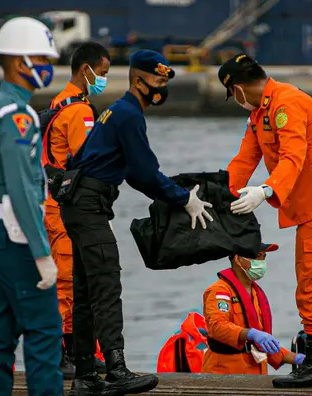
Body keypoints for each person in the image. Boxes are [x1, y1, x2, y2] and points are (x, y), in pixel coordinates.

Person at [58, 49, 214, 395]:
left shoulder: (114, 111)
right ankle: (116, 370)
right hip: (89, 205)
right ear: (138, 81)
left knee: (86, 292)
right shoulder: (129, 115)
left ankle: (85, 377)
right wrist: (184, 197)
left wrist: (169, 193)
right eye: (158, 81)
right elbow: (144, 172)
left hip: (80, 203)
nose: (162, 88)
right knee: (107, 285)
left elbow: (102, 164)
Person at [216, 54, 312, 388]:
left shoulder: (286, 104)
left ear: (237, 89)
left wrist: (265, 191)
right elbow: (244, 159)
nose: (235, 101)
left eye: (232, 94)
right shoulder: (261, 112)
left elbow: (294, 156)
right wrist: (219, 195)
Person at [0, 16, 63, 395]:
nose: (47, 66)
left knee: (0, 331)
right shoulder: (17, 115)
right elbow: (22, 189)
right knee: (44, 332)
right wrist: (42, 251)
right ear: (19, 61)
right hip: (15, 234)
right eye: (41, 58)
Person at [38, 41, 111, 376]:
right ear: (87, 70)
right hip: (69, 208)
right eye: (104, 73)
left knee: (68, 281)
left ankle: (73, 351)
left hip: (54, 203)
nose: (104, 80)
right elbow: (88, 158)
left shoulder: (58, 101)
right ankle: (63, 354)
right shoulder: (80, 110)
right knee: (69, 282)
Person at [201, 243, 305, 374]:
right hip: (225, 372)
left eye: (263, 257)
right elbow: (217, 327)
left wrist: (297, 359)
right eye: (257, 257)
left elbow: (264, 343)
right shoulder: (219, 290)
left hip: (257, 370)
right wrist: (250, 334)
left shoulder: (256, 293)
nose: (261, 262)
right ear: (238, 259)